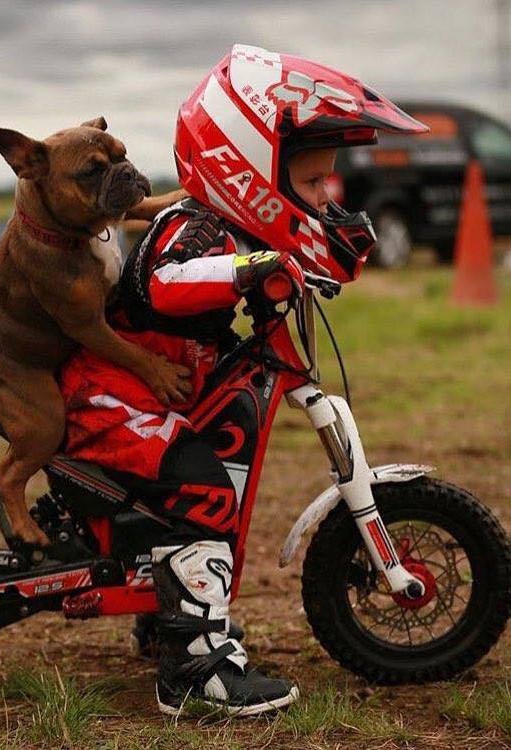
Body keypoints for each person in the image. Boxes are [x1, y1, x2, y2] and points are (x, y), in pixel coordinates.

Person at [58, 44, 427, 716]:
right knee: (199, 482)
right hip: (110, 395)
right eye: (313, 184)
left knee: (200, 461)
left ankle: (168, 613)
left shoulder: (228, 227)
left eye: (327, 183)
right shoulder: (197, 230)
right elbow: (167, 285)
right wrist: (251, 270)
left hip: (146, 387)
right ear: (248, 165)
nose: (326, 197)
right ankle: (193, 674)